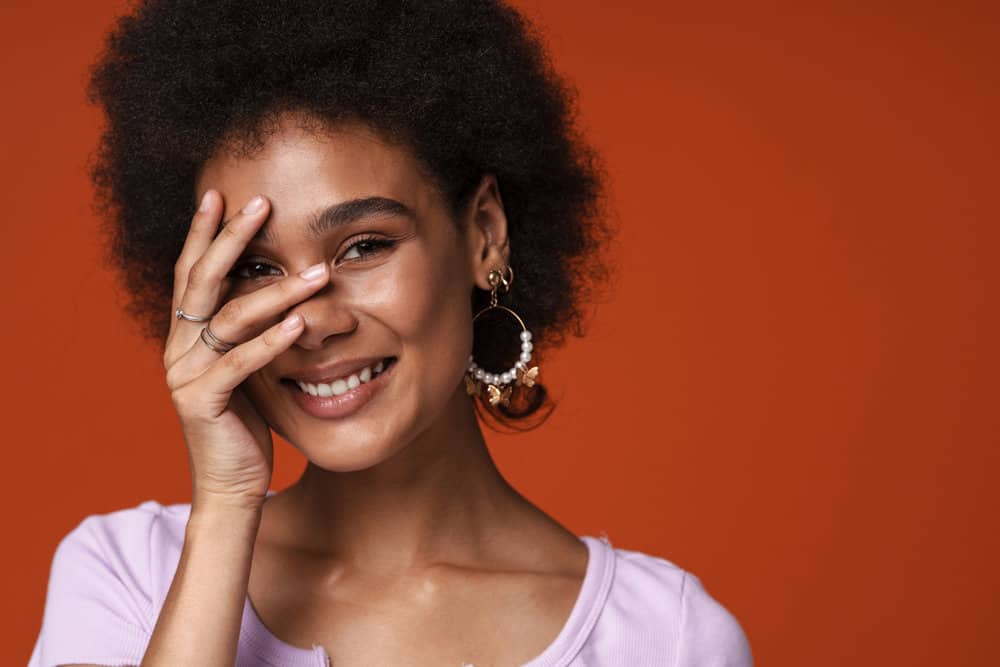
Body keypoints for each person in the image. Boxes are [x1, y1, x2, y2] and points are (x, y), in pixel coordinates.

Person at [28, 1, 752, 665]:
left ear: (484, 234)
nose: (311, 321)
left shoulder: (666, 638)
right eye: (255, 266)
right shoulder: (124, 575)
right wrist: (224, 504)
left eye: (364, 245)